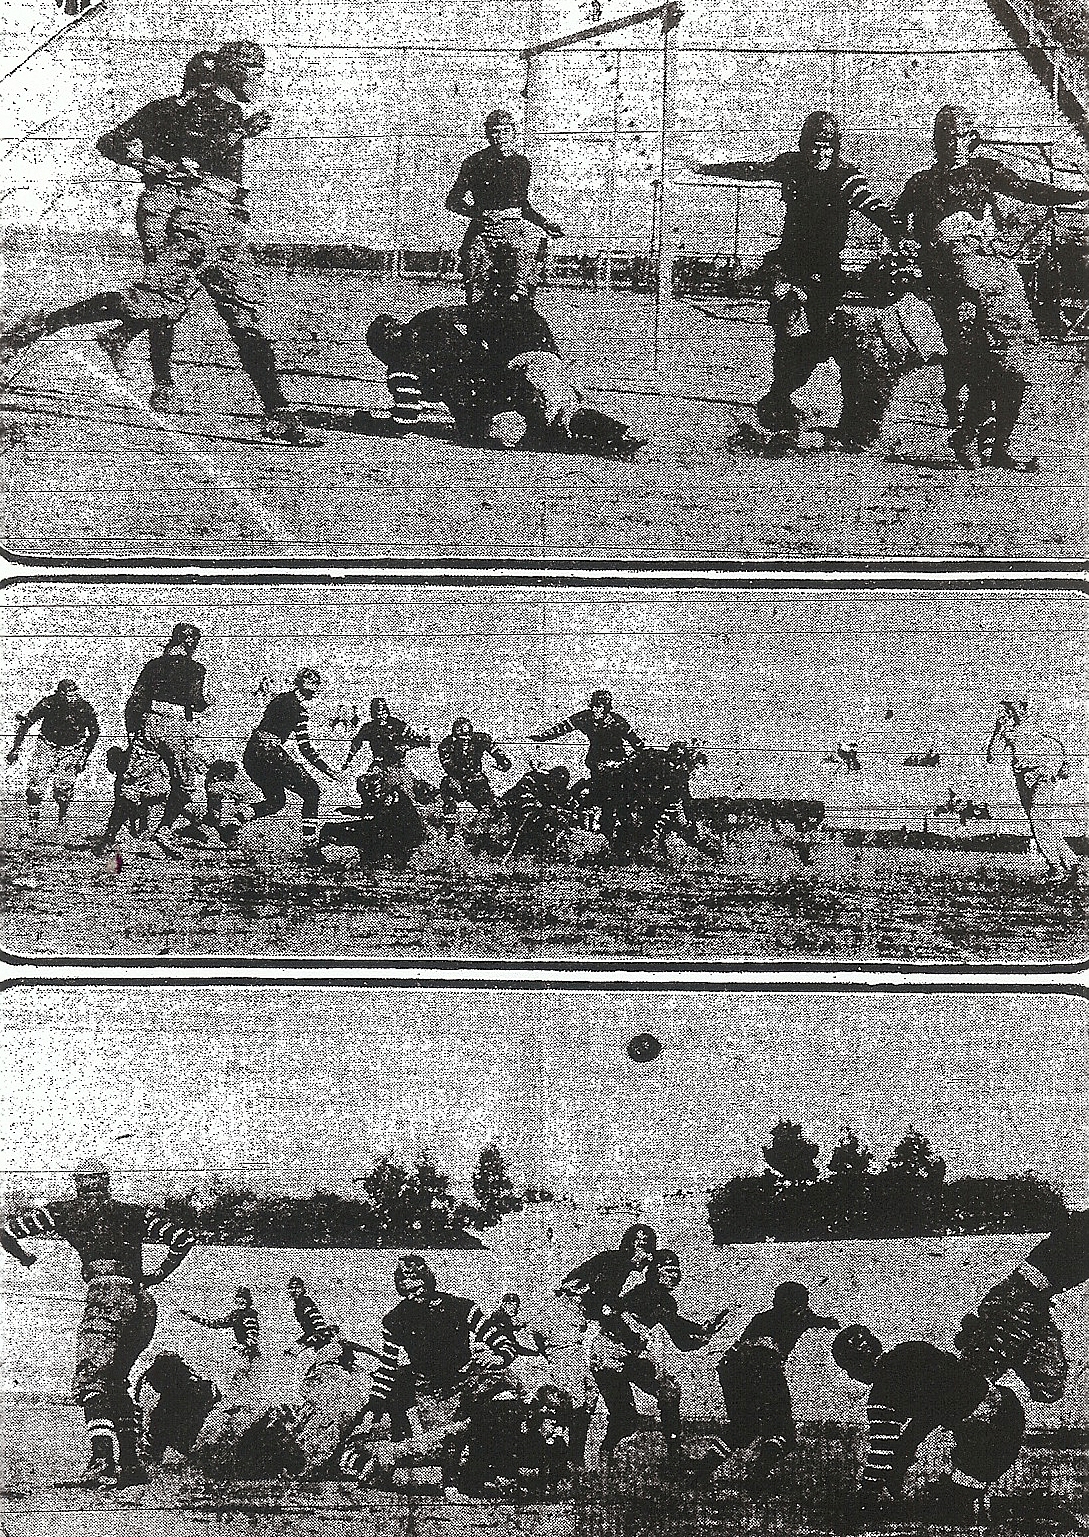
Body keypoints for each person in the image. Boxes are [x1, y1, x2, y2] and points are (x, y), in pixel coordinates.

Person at [0, 42, 312, 444]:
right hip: (181, 212)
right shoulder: (189, 110)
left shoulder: (210, 109)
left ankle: (269, 407)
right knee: (175, 303)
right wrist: (166, 162)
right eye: (250, 68)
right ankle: (46, 327)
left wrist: (176, 169)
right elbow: (161, 153)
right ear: (225, 72)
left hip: (215, 215)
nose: (256, 76)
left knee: (211, 306)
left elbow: (180, 159)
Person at [894, 105, 1089, 468]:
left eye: (961, 136)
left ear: (972, 140)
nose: (953, 144)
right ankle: (968, 435)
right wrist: (907, 246)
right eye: (945, 136)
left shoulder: (984, 172)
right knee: (977, 365)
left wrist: (1074, 195)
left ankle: (998, 444)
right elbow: (894, 219)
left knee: (1017, 365)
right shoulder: (921, 183)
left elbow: (1028, 190)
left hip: (996, 277)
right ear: (936, 141)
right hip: (952, 284)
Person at [689, 111, 900, 434]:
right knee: (789, 322)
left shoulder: (845, 177)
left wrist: (899, 231)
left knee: (813, 345)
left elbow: (872, 206)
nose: (821, 154)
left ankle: (780, 396)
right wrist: (706, 168)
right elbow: (753, 170)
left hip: (825, 273)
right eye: (815, 146)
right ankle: (779, 397)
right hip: (787, 265)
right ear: (804, 145)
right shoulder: (791, 166)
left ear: (836, 147)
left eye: (828, 147)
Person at [0, 1159, 196, 1488]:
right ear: (106, 1184)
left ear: (78, 1184)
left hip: (106, 1299)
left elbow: (5, 1231)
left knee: (93, 1382)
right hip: (142, 1304)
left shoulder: (65, 1212)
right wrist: (158, 1275)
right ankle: (132, 1464)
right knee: (117, 1380)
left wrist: (24, 1257)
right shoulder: (134, 1214)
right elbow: (184, 1238)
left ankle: (103, 1462)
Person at [94, 48, 221, 411]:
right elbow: (110, 142)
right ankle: (161, 383)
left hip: (198, 209)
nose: (206, 89)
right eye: (204, 81)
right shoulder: (163, 110)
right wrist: (153, 163)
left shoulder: (215, 117)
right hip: (161, 205)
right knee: (165, 289)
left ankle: (123, 336)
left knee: (177, 289)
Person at [346, 1254, 518, 1491]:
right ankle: (399, 1461)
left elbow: (503, 1343)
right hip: (426, 1394)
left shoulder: (461, 1308)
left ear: (428, 1283)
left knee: (504, 1396)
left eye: (417, 1288)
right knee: (401, 1390)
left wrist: (498, 1357)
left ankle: (495, 1472)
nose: (413, 1296)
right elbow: (387, 1369)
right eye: (405, 1291)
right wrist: (371, 1412)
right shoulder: (394, 1320)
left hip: (466, 1385)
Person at [832, 1324, 1027, 1526]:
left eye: (848, 1369)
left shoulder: (882, 1393)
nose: (850, 1376)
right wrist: (905, 1448)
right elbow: (936, 1404)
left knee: (945, 1512)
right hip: (1008, 1410)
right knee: (954, 1500)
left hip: (987, 1438)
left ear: (858, 1365)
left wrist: (866, 1498)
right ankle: (970, 1502)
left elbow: (882, 1454)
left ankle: (966, 1502)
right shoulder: (912, 1350)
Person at [699, 1281, 840, 1490]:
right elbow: (813, 1320)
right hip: (763, 1371)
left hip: (732, 1370)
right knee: (784, 1434)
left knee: (743, 1428)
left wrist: (824, 1321)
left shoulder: (764, 1318)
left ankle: (702, 1471)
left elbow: (736, 1351)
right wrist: (829, 1322)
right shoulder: (797, 1318)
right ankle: (758, 1474)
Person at [97, 620, 210, 858]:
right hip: (178, 725)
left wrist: (134, 728)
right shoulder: (196, 669)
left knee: (131, 785)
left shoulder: (154, 665)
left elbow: (135, 699)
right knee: (185, 785)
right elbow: (196, 701)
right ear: (191, 643)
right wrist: (204, 704)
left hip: (149, 723)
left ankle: (109, 835)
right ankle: (164, 832)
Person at [589, 1249, 712, 1466]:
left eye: (677, 1271)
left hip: (632, 1356)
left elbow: (681, 1341)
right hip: (608, 1355)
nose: (675, 1276)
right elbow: (670, 1323)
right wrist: (697, 1330)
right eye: (669, 1271)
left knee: (669, 1391)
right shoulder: (643, 1294)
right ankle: (606, 1451)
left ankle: (674, 1452)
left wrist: (700, 1338)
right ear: (655, 1272)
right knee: (625, 1418)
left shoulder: (666, 1301)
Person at [955, 1208, 1089, 1405]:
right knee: (970, 1385)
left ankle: (981, 1342)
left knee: (1050, 1386)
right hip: (1016, 1303)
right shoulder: (1081, 1227)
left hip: (1028, 1303)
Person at [555, 1222, 658, 1465]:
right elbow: (602, 1306)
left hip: (588, 1328)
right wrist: (631, 1336)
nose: (647, 1254)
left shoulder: (623, 1268)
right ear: (631, 1246)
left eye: (648, 1247)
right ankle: (569, 1459)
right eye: (642, 1246)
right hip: (578, 1330)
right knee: (584, 1398)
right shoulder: (615, 1265)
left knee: (593, 1400)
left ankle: (575, 1458)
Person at [445, 109, 565, 304]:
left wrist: (544, 223)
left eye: (506, 130)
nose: (500, 136)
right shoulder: (474, 162)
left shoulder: (521, 164)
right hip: (482, 229)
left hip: (513, 228)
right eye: (495, 131)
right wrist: (479, 214)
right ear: (487, 133)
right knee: (476, 281)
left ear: (514, 133)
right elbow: (453, 201)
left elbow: (522, 205)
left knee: (524, 277)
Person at [239, 669, 341, 848]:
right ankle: (309, 846)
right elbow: (305, 747)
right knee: (312, 791)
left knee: (276, 801)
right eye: (314, 686)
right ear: (306, 686)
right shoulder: (299, 710)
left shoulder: (279, 699)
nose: (316, 691)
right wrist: (327, 769)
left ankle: (235, 821)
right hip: (269, 752)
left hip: (251, 753)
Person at [361, 307, 497, 443]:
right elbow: (469, 313)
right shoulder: (427, 318)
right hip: (493, 368)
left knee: (472, 436)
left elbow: (405, 420)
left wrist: (369, 425)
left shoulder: (402, 364)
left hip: (474, 394)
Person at [985, 698, 1079, 884]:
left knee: (1038, 820)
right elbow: (993, 756)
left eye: (1012, 708)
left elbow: (1062, 740)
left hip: (1043, 775)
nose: (1009, 713)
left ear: (1022, 706)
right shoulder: (1008, 729)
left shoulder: (1039, 721)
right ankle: (1070, 860)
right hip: (1022, 777)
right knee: (1040, 821)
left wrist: (1062, 765)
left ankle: (1056, 867)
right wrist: (998, 730)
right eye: (1007, 709)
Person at [530, 690, 644, 839]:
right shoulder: (586, 717)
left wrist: (634, 756)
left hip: (618, 763)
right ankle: (598, 827)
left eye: (600, 706)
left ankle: (620, 830)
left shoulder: (617, 721)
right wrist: (542, 737)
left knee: (617, 798)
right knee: (601, 794)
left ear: (607, 707)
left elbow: (635, 741)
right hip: (597, 762)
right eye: (594, 706)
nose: (596, 710)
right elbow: (564, 727)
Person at [7, 678, 100, 833]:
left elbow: (95, 732)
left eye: (74, 693)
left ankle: (62, 818)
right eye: (67, 694)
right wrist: (16, 748)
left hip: (72, 750)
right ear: (60, 694)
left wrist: (84, 755)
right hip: (47, 745)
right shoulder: (49, 703)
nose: (71, 697)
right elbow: (27, 722)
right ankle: (33, 823)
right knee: (36, 784)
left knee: (63, 789)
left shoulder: (84, 708)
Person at [342, 697, 433, 805]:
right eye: (376, 709)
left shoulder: (396, 724)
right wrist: (348, 761)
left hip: (397, 765)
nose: (380, 713)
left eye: (382, 709)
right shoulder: (369, 727)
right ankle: (369, 808)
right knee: (365, 784)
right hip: (379, 764)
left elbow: (416, 739)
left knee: (412, 791)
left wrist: (406, 746)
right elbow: (356, 743)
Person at [177, 1285, 260, 1398]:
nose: (240, 1300)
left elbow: (253, 1337)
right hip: (243, 1354)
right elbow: (215, 1324)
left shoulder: (249, 1315)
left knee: (244, 1381)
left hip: (251, 1354)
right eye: (238, 1297)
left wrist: (243, 1346)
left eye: (243, 1298)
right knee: (240, 1381)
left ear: (248, 1300)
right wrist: (194, 1318)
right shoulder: (235, 1315)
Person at [436, 716, 512, 819]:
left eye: (468, 736)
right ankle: (450, 812)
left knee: (486, 800)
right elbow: (448, 766)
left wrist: (502, 760)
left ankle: (492, 814)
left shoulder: (480, 739)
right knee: (447, 785)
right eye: (462, 738)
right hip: (457, 779)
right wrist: (462, 778)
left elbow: (493, 749)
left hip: (476, 779)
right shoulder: (446, 745)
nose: (466, 740)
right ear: (455, 737)